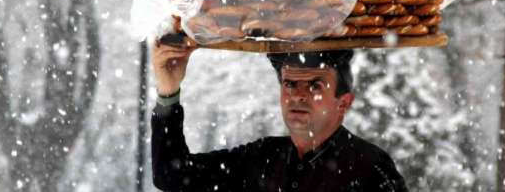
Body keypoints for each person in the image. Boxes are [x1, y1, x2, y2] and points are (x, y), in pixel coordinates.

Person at [151, 41, 409, 192]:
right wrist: (168, 92)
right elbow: (171, 175)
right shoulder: (262, 158)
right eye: (290, 84)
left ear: (344, 103)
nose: (298, 96)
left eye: (315, 86)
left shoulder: (368, 168)